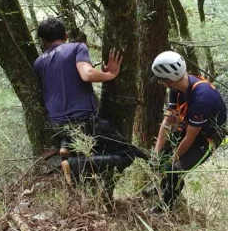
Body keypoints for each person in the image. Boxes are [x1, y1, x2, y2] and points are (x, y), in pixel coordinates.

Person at [32, 17, 144, 201]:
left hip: (57, 125)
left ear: (43, 41)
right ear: (66, 36)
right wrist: (111, 74)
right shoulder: (76, 48)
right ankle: (75, 165)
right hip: (84, 121)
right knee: (127, 154)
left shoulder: (38, 63)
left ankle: (67, 145)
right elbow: (87, 74)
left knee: (92, 147)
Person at [145, 50, 228, 214]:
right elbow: (168, 121)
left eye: (161, 80)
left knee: (175, 169)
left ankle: (165, 207)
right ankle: (164, 183)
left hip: (207, 138)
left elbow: (190, 138)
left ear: (168, 80)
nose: (160, 83)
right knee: (162, 158)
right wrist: (156, 154)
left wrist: (173, 161)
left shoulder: (202, 97)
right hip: (189, 127)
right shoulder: (176, 89)